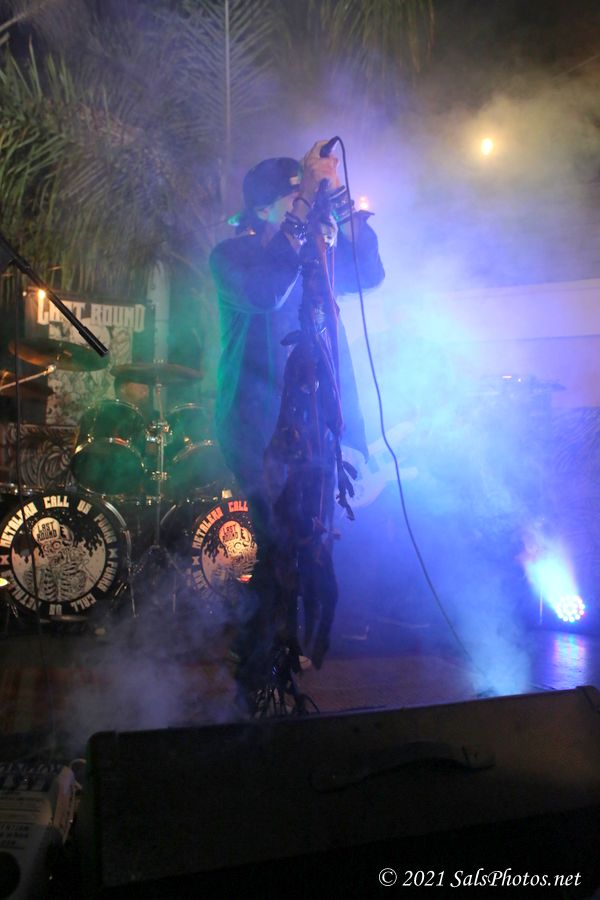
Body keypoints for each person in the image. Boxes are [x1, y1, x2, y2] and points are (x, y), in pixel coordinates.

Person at [210, 140, 384, 701]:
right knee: (275, 542)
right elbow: (266, 291)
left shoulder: (313, 256)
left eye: (303, 199)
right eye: (291, 201)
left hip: (313, 427)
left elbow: (370, 274)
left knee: (309, 542)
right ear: (264, 210)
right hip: (256, 424)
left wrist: (346, 216)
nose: (303, 209)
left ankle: (275, 659)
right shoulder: (232, 257)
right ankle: (254, 669)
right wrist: (308, 203)